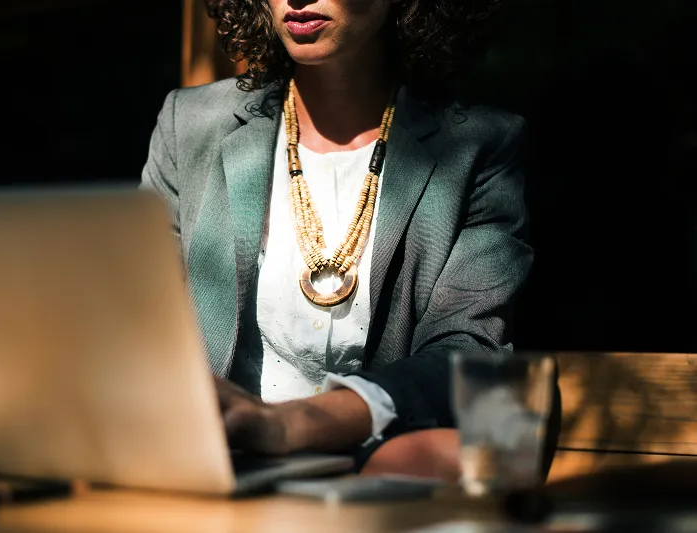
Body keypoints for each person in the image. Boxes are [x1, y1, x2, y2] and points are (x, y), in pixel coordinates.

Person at [142, 0, 552, 480]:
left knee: (482, 442)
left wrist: (292, 425)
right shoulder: (190, 124)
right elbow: (141, 324)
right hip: (217, 464)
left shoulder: (480, 144)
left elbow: (470, 352)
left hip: (382, 462)